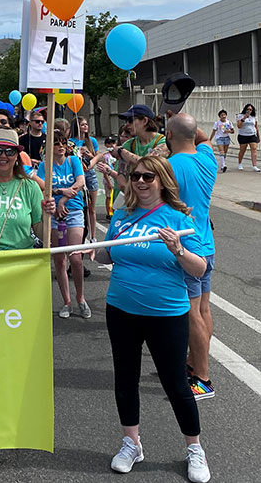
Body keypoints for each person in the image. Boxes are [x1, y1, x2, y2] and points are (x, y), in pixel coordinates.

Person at [91, 156, 210, 483]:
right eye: (136, 176)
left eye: (148, 177)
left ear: (162, 181)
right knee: (125, 378)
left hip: (167, 314)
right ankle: (132, 443)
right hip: (121, 309)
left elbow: (200, 268)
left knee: (175, 384)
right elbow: (108, 254)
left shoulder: (180, 219)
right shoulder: (124, 217)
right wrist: (93, 249)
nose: (141, 182)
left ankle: (194, 449)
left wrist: (179, 250)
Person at [166, 114, 218, 401]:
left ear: (169, 135)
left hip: (187, 246)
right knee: (204, 309)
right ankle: (195, 363)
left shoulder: (170, 166)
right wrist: (183, 124)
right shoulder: (208, 157)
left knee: (192, 313)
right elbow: (203, 137)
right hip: (207, 244)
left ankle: (202, 377)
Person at [38, 131, 88, 318]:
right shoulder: (45, 165)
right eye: (56, 143)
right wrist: (59, 192)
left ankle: (81, 297)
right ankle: (66, 301)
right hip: (53, 214)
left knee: (75, 257)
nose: (60, 146)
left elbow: (80, 182)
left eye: (63, 143)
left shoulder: (73, 161)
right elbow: (43, 186)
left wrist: (62, 200)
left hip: (73, 211)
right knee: (59, 259)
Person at [109, 104, 168, 191]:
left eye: (130, 120)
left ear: (144, 120)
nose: (126, 125)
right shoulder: (129, 144)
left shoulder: (163, 142)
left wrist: (122, 152)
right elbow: (121, 180)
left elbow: (149, 164)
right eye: (126, 121)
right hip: (134, 199)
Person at [70, 116, 100, 233]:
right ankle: (81, 233)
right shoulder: (71, 142)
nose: (85, 126)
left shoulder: (91, 141)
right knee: (80, 206)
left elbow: (97, 158)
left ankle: (93, 236)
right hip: (77, 174)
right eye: (82, 124)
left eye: (86, 124)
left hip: (90, 173)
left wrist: (88, 155)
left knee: (92, 208)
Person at [235, 103, 259, 171]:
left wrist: (258, 136)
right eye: (248, 109)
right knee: (242, 150)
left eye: (250, 109)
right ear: (245, 109)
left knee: (254, 149)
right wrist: (244, 118)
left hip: (252, 135)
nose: (249, 111)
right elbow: (239, 126)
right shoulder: (240, 116)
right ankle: (240, 163)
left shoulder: (254, 117)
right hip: (243, 135)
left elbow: (256, 126)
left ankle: (254, 166)